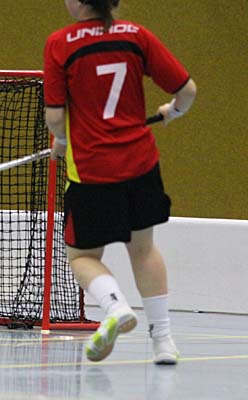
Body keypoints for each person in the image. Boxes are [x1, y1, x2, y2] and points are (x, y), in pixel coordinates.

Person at [43, 0, 196, 364]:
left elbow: (55, 117)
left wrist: (61, 141)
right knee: (143, 249)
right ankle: (163, 342)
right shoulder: (136, 36)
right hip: (141, 164)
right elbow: (187, 91)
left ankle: (114, 306)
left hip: (92, 169)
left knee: (82, 256)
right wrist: (172, 112)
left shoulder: (60, 44)